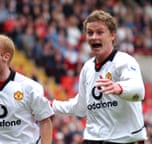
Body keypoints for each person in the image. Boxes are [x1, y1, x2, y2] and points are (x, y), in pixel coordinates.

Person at [52, 10, 147, 143]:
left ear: (113, 35)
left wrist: (119, 88)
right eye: (90, 33)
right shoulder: (87, 68)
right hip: (93, 139)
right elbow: (81, 107)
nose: (94, 37)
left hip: (125, 140)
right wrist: (52, 105)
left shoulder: (124, 61)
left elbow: (138, 90)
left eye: (100, 32)